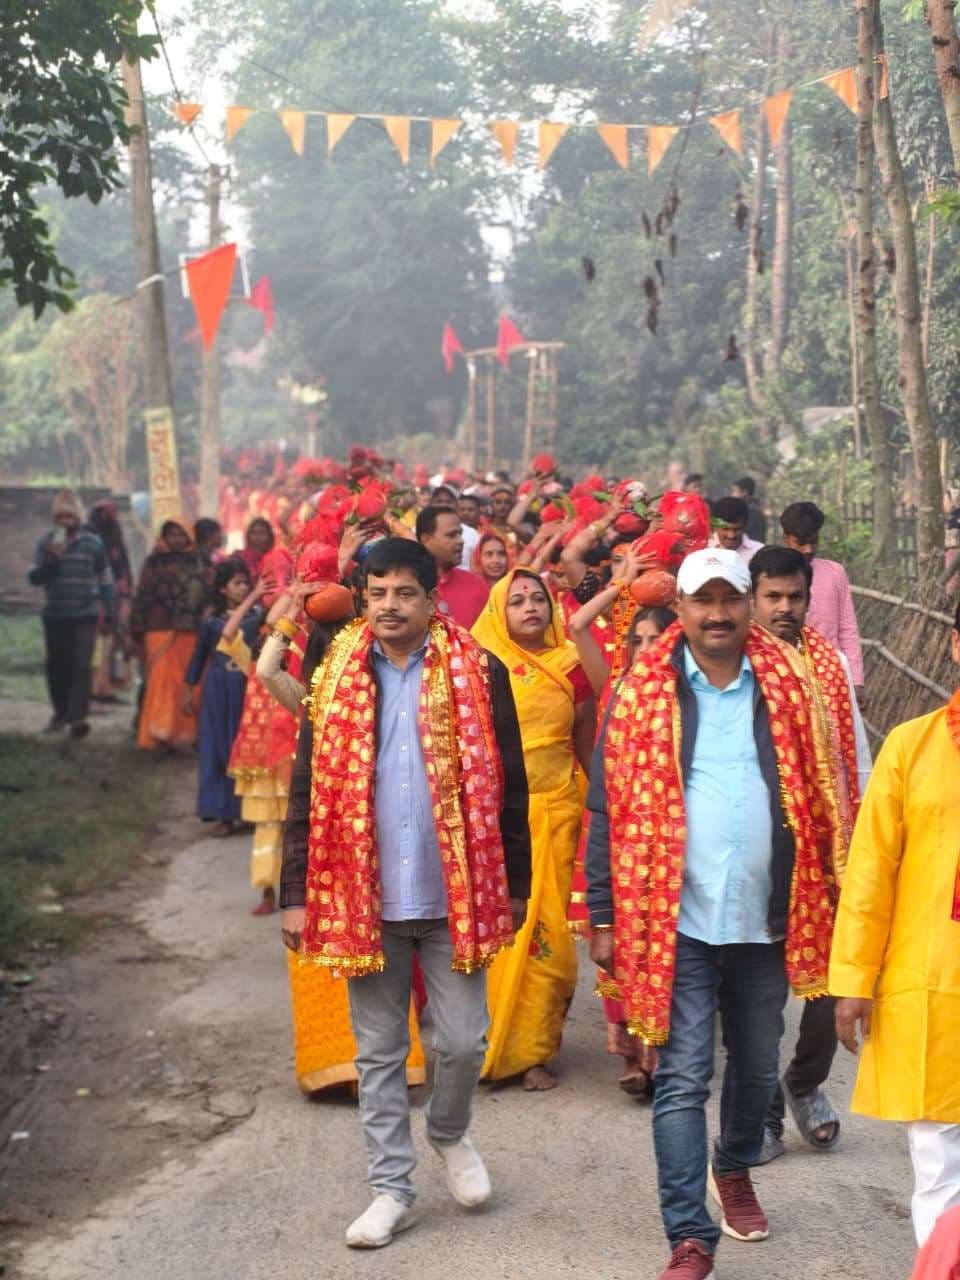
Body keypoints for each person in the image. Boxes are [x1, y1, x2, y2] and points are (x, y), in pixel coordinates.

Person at [585, 547, 846, 1280]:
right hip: (674, 920)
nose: (719, 614)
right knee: (683, 1074)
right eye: (704, 601)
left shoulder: (791, 690)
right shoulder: (641, 695)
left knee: (758, 1067)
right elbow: (604, 807)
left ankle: (732, 1169)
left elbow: (826, 796)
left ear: (749, 604)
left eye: (731, 599)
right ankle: (689, 1235)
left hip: (768, 918)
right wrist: (602, 912)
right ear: (683, 609)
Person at [280, 538, 531, 1249]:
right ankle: (391, 1187)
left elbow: (510, 787)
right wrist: (295, 891)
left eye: (405, 593)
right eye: (378, 592)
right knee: (380, 1051)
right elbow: (306, 786)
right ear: (363, 597)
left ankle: (449, 1132)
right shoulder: (334, 672)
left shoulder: (480, 672)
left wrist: (515, 887)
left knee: (460, 1042)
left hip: (458, 891)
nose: (390, 606)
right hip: (364, 895)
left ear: (433, 599)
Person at [830, 603, 960, 1247]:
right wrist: (854, 978)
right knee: (940, 1164)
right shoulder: (912, 745)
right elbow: (871, 872)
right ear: (957, 647)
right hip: (929, 983)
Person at [747, 544, 872, 1162]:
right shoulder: (734, 664)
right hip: (760, 855)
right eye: (773, 597)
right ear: (752, 598)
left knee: (830, 985)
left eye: (795, 596)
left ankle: (805, 1082)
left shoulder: (826, 662)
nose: (785, 608)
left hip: (828, 851)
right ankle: (766, 1111)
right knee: (763, 993)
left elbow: (855, 754)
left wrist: (864, 831)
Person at [471, 568, 596, 1091]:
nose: (529, 606)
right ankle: (485, 1041)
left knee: (552, 943)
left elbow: (587, 744)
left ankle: (534, 1050)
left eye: (537, 598)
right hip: (499, 819)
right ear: (499, 611)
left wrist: (609, 809)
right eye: (517, 599)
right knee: (499, 937)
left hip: (560, 811)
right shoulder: (481, 666)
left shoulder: (572, 666)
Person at [220, 574, 297, 916]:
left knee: (297, 830)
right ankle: (267, 892)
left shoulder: (298, 664)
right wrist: (252, 597)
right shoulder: (251, 665)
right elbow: (227, 633)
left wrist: (296, 599)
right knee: (267, 830)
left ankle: (298, 895)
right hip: (261, 759)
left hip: (293, 756)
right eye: (267, 636)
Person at [27, 489, 115, 737]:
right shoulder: (46, 543)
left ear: (78, 518)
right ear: (54, 519)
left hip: (85, 615)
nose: (65, 522)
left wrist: (109, 611)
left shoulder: (92, 543)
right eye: (60, 518)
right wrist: (52, 560)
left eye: (70, 517)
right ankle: (59, 714)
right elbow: (33, 578)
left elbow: (105, 578)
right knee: (57, 667)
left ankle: (77, 719)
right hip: (55, 614)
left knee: (81, 666)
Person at [182, 560, 258, 835]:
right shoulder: (212, 622)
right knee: (217, 747)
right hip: (217, 687)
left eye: (245, 583)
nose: (242, 588)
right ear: (223, 589)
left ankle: (247, 811)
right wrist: (189, 690)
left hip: (246, 686)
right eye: (236, 583)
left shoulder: (257, 617)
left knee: (244, 746)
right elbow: (198, 657)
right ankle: (222, 814)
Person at [130, 517, 211, 751]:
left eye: (180, 534)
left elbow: (211, 593)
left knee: (189, 683)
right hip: (159, 627)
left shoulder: (201, 563)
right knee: (160, 681)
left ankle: (187, 734)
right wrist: (135, 625)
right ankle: (159, 731)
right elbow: (143, 594)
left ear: (189, 536)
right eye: (171, 534)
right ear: (164, 537)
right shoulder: (154, 562)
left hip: (191, 630)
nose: (176, 539)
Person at [780, 501, 865, 700]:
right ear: (786, 538)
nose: (808, 549)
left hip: (832, 679)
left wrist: (856, 680)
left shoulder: (835, 573)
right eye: (801, 543)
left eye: (814, 541)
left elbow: (848, 628)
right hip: (785, 678)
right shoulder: (771, 576)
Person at [88, 500, 133, 703]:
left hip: (118, 597)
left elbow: (123, 568)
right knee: (98, 642)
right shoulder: (91, 539)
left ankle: (106, 687)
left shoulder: (116, 540)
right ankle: (95, 687)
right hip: (97, 598)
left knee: (113, 643)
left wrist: (126, 596)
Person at [416, 506, 489, 629]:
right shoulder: (407, 585)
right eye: (451, 535)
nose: (461, 541)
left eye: (460, 534)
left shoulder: (476, 584)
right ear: (426, 540)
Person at [709, 496, 763, 566]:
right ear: (715, 526)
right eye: (725, 529)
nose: (731, 535)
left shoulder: (759, 553)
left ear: (745, 526)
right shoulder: (702, 551)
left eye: (737, 529)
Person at [239, 516, 275, 583]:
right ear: (248, 536)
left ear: (270, 537)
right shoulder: (239, 559)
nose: (258, 538)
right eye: (254, 533)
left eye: (262, 533)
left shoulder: (276, 560)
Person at [732, 476, 767, 543]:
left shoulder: (751, 511)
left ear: (745, 492)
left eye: (735, 491)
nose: (732, 495)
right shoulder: (752, 509)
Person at [456, 492, 482, 569]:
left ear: (479, 511)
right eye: (462, 509)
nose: (466, 513)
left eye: (471, 510)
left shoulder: (488, 533)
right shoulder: (451, 534)